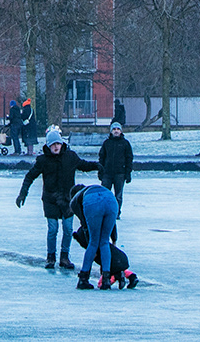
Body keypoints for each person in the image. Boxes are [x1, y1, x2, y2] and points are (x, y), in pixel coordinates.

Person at [18, 129, 98, 269]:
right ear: (48, 146)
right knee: (53, 229)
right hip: (50, 199)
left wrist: (97, 166)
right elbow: (30, 176)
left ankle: (64, 257)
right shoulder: (43, 161)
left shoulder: (70, 157)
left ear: (62, 144)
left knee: (68, 229)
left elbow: (84, 165)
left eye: (58, 144)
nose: (56, 147)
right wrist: (23, 193)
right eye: (53, 144)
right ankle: (50, 257)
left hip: (68, 200)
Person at [70, 181, 121, 290]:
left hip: (93, 202)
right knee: (104, 242)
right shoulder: (94, 189)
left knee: (93, 242)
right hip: (111, 200)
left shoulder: (74, 202)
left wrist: (93, 250)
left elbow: (85, 225)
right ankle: (106, 280)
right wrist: (114, 239)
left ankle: (83, 279)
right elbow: (113, 225)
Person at [98, 121, 134, 207]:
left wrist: (128, 173)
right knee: (104, 194)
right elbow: (101, 158)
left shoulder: (125, 143)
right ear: (111, 131)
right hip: (107, 173)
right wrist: (100, 171)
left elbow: (129, 159)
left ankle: (116, 212)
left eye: (118, 129)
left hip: (120, 173)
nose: (116, 131)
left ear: (121, 131)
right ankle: (104, 211)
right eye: (114, 129)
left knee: (118, 195)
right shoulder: (106, 143)